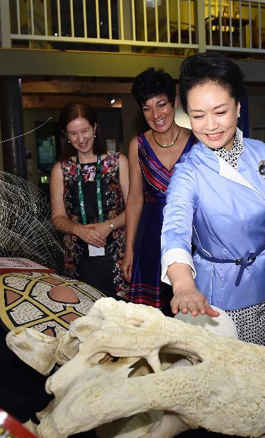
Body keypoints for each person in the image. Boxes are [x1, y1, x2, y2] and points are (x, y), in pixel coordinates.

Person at [160, 52, 265, 346]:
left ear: (237, 107)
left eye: (219, 112)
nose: (210, 125)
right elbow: (175, 230)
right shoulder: (188, 172)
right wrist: (184, 284)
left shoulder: (260, 151)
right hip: (222, 296)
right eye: (198, 116)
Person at [122, 68, 195, 314]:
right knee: (153, 321)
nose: (156, 114)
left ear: (175, 102)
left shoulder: (198, 142)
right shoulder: (138, 146)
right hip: (151, 237)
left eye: (161, 104)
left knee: (192, 315)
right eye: (147, 108)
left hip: (192, 235)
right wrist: (129, 249)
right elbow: (134, 199)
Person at [50, 102, 130, 297]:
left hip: (118, 254)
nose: (81, 139)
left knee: (120, 318)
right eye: (73, 133)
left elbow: (134, 209)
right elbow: (57, 217)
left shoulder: (118, 162)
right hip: (77, 256)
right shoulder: (61, 170)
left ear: (94, 128)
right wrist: (78, 230)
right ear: (66, 136)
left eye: (85, 131)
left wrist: (108, 226)